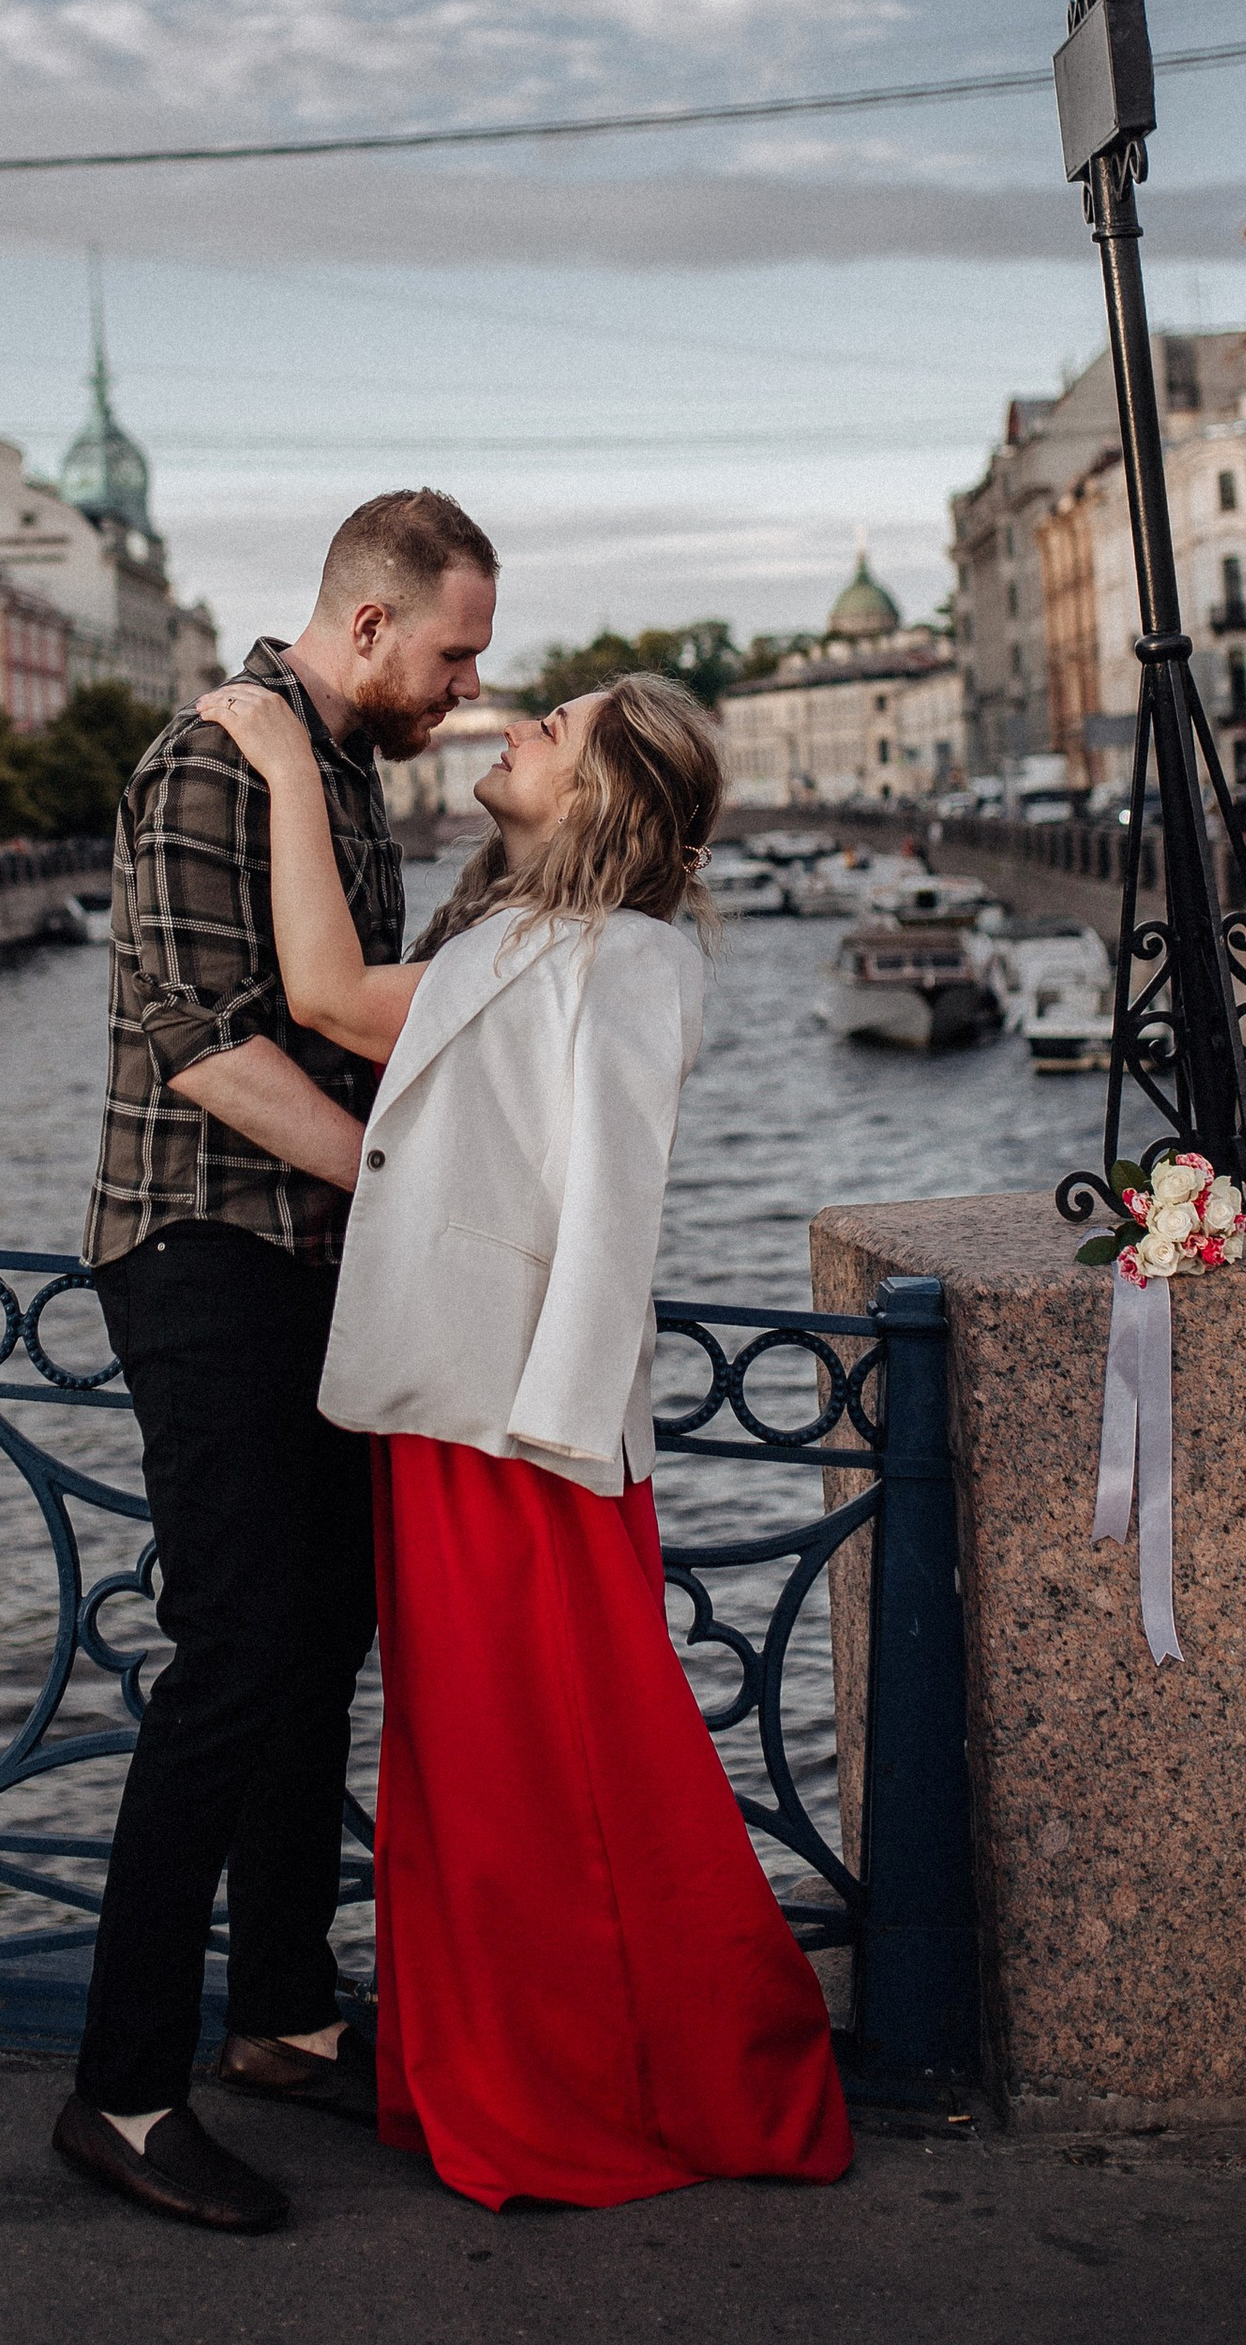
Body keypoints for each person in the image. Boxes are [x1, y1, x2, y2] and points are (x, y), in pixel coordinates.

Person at [191, 666, 852, 2214]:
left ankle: (582, 2076)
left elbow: (324, 1000)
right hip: (475, 1404)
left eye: (549, 730)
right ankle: (514, 2061)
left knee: (521, 1770)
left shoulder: (615, 958)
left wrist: (288, 766)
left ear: (605, 792)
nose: (512, 730)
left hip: (516, 1422)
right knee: (493, 1763)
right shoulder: (556, 947)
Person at [53, 488, 501, 2237]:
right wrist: (394, 1178)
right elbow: (200, 1051)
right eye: (456, 650)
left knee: (322, 1640)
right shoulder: (210, 763)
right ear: (372, 625)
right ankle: (123, 2089)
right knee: (237, 1652)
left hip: (307, 1262)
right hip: (200, 1255)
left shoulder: (343, 769)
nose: (468, 685)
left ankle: (285, 2013)